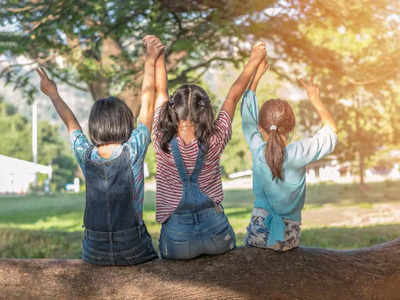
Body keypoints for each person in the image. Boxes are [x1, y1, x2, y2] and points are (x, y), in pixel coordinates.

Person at [36, 35, 164, 265]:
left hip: (94, 251)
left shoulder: (86, 155)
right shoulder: (133, 150)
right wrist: (150, 60)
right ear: (126, 123)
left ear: (95, 126)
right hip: (132, 248)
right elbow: (148, 102)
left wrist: (53, 94)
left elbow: (71, 124)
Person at [152, 41, 267, 259]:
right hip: (217, 235)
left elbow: (160, 91)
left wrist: (158, 56)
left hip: (179, 240)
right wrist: (254, 59)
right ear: (205, 111)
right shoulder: (216, 138)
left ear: (173, 111)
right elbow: (233, 95)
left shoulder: (161, 140)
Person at [241, 58, 338, 251]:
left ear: (261, 128)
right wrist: (315, 100)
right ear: (291, 127)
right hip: (289, 237)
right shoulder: (300, 152)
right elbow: (331, 132)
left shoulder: (257, 149)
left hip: (258, 233)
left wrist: (256, 78)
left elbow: (247, 119)